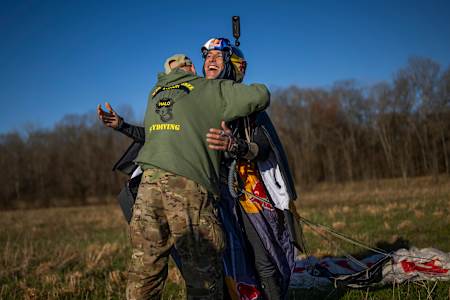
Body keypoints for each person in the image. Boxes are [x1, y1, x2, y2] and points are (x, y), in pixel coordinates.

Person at [98, 53, 270, 300]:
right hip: (188, 188)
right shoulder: (207, 88)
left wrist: (123, 126)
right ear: (191, 67)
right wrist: (228, 86)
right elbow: (260, 95)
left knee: (145, 266)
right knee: (202, 272)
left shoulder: (155, 93)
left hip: (148, 188)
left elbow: (157, 133)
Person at [201, 38, 302, 300]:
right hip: (212, 192)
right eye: (207, 56)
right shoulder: (196, 105)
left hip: (247, 190)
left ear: (232, 66)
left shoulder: (248, 105)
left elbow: (263, 146)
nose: (210, 60)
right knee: (220, 256)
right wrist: (124, 128)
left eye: (217, 56)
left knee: (262, 251)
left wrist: (236, 146)